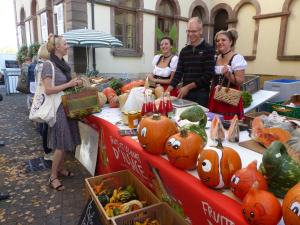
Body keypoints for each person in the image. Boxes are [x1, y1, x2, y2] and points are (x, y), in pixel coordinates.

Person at [42, 34, 82, 191]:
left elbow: (66, 84)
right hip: (57, 108)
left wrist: (74, 84)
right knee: (60, 144)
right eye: (65, 44)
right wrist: (68, 84)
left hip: (66, 105)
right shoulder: (48, 64)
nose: (67, 46)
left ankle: (61, 169)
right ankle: (53, 177)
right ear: (57, 47)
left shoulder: (63, 63)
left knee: (67, 141)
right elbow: (48, 90)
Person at [166, 17, 215, 107]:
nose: (190, 34)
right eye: (188, 31)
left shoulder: (208, 49)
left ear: (201, 31)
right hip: (185, 93)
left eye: (193, 31)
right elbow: (178, 73)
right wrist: (167, 90)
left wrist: (188, 87)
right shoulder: (184, 51)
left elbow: (208, 75)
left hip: (201, 94)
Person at [208, 28, 247, 120]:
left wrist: (228, 75)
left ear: (231, 42)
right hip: (215, 96)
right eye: (217, 40)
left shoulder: (237, 58)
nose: (220, 42)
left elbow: (240, 81)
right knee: (214, 123)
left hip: (229, 98)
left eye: (223, 40)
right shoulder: (216, 57)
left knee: (228, 125)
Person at [35, 43, 53, 161]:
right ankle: (48, 152)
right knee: (47, 126)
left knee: (44, 125)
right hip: (46, 97)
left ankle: (47, 150)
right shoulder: (45, 65)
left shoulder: (39, 65)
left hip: (41, 98)